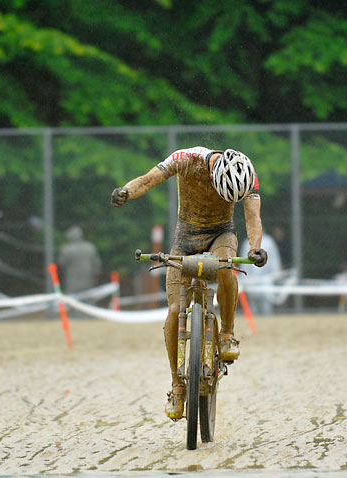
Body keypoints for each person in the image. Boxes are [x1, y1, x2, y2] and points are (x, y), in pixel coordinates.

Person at [111, 147, 267, 420]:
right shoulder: (186, 159)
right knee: (174, 311)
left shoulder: (247, 173)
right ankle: (177, 384)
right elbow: (149, 179)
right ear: (212, 174)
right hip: (185, 236)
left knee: (226, 268)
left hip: (222, 233)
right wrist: (126, 191)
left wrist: (255, 248)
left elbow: (253, 216)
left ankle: (227, 333)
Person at [239, 230, 282, 315]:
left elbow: (273, 261)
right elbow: (244, 264)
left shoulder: (269, 242)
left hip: (266, 281)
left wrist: (275, 275)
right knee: (252, 308)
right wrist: (244, 279)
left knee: (266, 307)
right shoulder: (247, 243)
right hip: (251, 282)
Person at [57, 225, 102, 295]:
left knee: (72, 300)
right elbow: (97, 264)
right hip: (88, 278)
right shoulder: (90, 247)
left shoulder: (66, 249)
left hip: (72, 279)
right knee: (88, 298)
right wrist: (95, 276)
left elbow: (61, 263)